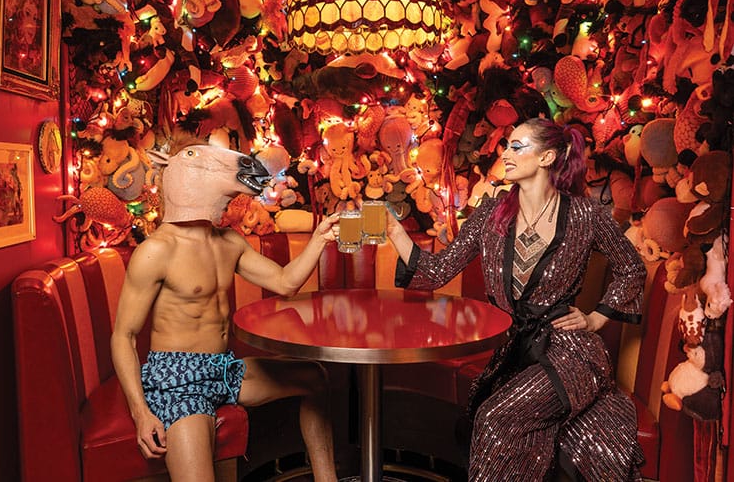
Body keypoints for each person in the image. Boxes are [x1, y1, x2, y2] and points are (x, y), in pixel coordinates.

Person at [387, 118, 646, 481]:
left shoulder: (585, 215)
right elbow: (436, 271)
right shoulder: (490, 213)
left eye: (516, 146)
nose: (505, 154)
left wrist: (595, 318)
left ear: (547, 157)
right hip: (513, 352)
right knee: (492, 417)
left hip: (570, 354)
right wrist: (394, 230)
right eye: (506, 145)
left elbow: (632, 268)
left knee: (494, 417)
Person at [111, 143, 339, 482]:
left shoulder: (229, 242)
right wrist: (141, 413)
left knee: (315, 377)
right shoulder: (156, 251)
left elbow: (284, 281)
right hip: (178, 381)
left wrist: (319, 240)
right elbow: (123, 336)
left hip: (222, 368)